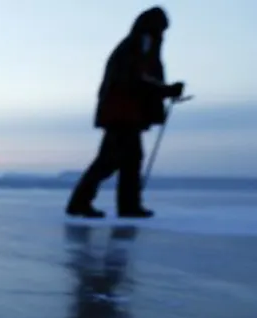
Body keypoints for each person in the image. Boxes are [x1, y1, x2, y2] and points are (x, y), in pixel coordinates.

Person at [66, 7, 185, 219]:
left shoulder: (137, 43)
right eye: (161, 29)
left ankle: (125, 206)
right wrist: (166, 90)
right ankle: (85, 203)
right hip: (122, 113)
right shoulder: (139, 44)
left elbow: (140, 80)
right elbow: (135, 80)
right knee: (111, 160)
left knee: (128, 159)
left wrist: (163, 90)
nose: (162, 34)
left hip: (124, 113)